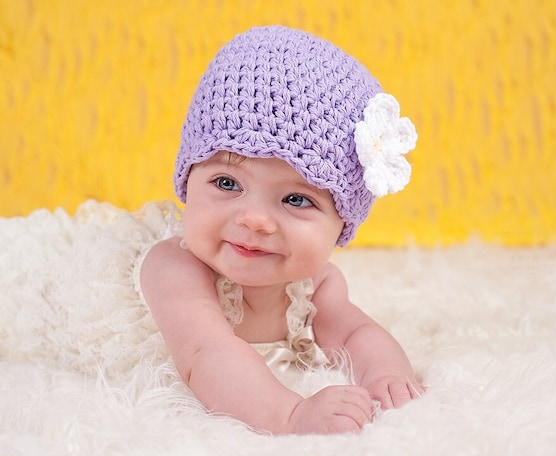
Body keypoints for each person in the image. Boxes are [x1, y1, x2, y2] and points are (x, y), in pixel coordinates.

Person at [140, 25, 424, 435]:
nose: (254, 220)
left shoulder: (314, 284)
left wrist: (386, 375)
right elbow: (205, 355)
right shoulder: (174, 268)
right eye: (226, 183)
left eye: (296, 200)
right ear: (188, 180)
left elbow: (357, 331)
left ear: (341, 224)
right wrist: (289, 415)